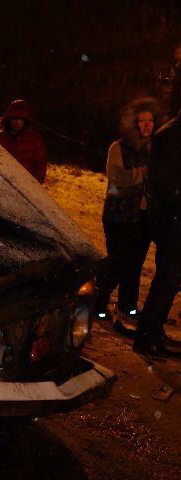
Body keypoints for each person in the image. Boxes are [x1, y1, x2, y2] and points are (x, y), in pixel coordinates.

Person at [95, 98, 159, 324]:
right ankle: (97, 302)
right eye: (141, 121)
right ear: (133, 124)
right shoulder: (118, 148)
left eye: (150, 121)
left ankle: (127, 306)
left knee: (135, 263)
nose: (147, 126)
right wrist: (145, 174)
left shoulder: (154, 148)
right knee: (117, 263)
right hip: (118, 216)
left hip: (142, 216)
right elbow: (116, 179)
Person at [132, 107, 181, 358]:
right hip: (169, 219)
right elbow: (166, 182)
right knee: (167, 279)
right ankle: (146, 337)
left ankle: (153, 332)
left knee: (170, 279)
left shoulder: (173, 132)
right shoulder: (172, 134)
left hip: (170, 217)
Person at [0, 99, 47, 183]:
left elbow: (41, 165)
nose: (17, 122)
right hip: (4, 184)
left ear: (25, 120)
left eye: (21, 119)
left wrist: (35, 184)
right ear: (9, 119)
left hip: (26, 186)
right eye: (15, 118)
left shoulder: (35, 140)